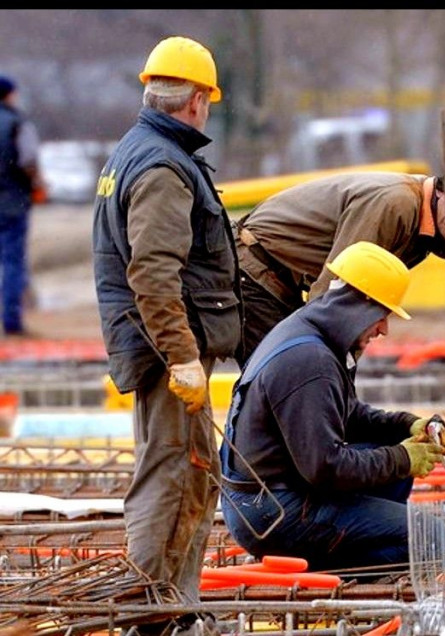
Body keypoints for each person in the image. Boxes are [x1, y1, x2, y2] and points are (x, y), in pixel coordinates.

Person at [91, 36, 240, 634]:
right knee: (173, 477)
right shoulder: (161, 166)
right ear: (197, 99)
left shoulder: (141, 151)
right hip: (165, 351)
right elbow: (152, 272)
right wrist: (181, 357)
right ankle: (150, 615)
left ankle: (171, 608)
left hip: (156, 344)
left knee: (192, 474)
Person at [218, 241, 445, 578]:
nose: (384, 329)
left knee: (394, 472)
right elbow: (325, 468)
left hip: (268, 498)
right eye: (382, 315)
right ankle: (316, 569)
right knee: (431, 537)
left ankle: (341, 549)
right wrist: (401, 458)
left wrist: (406, 426)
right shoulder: (310, 361)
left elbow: (348, 416)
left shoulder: (311, 334)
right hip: (271, 514)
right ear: (361, 305)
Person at [232, 147, 445, 365]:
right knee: (289, 375)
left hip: (279, 278)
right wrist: (334, 366)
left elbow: (361, 303)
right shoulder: (397, 205)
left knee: (299, 377)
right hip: (255, 267)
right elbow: (335, 290)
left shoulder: (423, 230)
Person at [0, 75, 44, 336]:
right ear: (9, 94)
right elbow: (28, 160)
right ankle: (12, 321)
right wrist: (38, 185)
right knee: (12, 261)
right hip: (12, 204)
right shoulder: (17, 123)